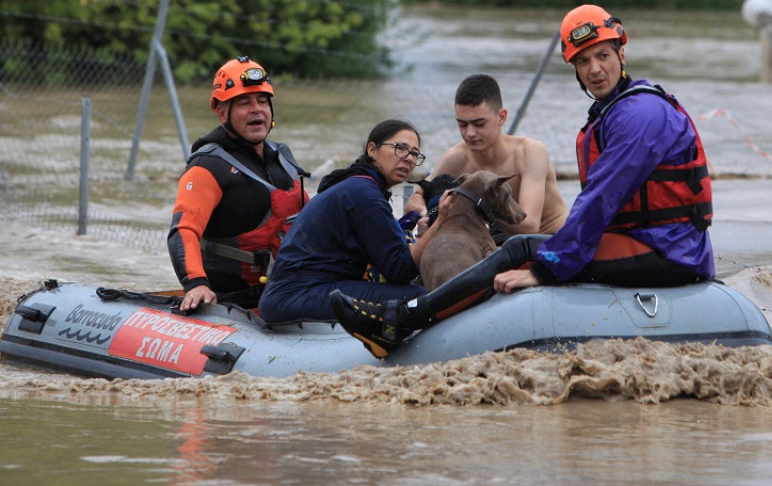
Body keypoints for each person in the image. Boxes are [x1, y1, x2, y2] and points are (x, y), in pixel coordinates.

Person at [330, 5, 715, 358]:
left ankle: (400, 321)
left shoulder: (639, 115)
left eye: (603, 56)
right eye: (583, 61)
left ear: (621, 55)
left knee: (522, 250)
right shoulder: (615, 111)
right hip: (653, 242)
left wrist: (545, 269)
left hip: (668, 251)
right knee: (522, 249)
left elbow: (599, 200)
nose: (595, 68)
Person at [257, 119, 456, 324]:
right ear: (372, 149)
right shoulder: (365, 194)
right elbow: (400, 270)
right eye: (400, 148)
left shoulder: (355, 184)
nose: (408, 158)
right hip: (297, 296)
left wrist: (422, 233)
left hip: (292, 293)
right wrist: (441, 220)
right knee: (416, 298)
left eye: (415, 153)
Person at [168, 56, 310, 312]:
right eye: (244, 103)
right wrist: (196, 284)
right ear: (222, 112)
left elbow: (314, 221)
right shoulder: (207, 166)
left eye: (263, 101)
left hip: (289, 291)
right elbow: (183, 230)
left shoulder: (283, 157)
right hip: (233, 304)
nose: (257, 109)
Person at [408, 73, 567, 239]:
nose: (469, 133)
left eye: (479, 124)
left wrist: (471, 202)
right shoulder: (455, 158)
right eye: (462, 124)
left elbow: (530, 227)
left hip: (552, 240)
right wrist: (424, 210)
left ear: (501, 117)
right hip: (500, 244)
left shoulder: (531, 152)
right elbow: (416, 197)